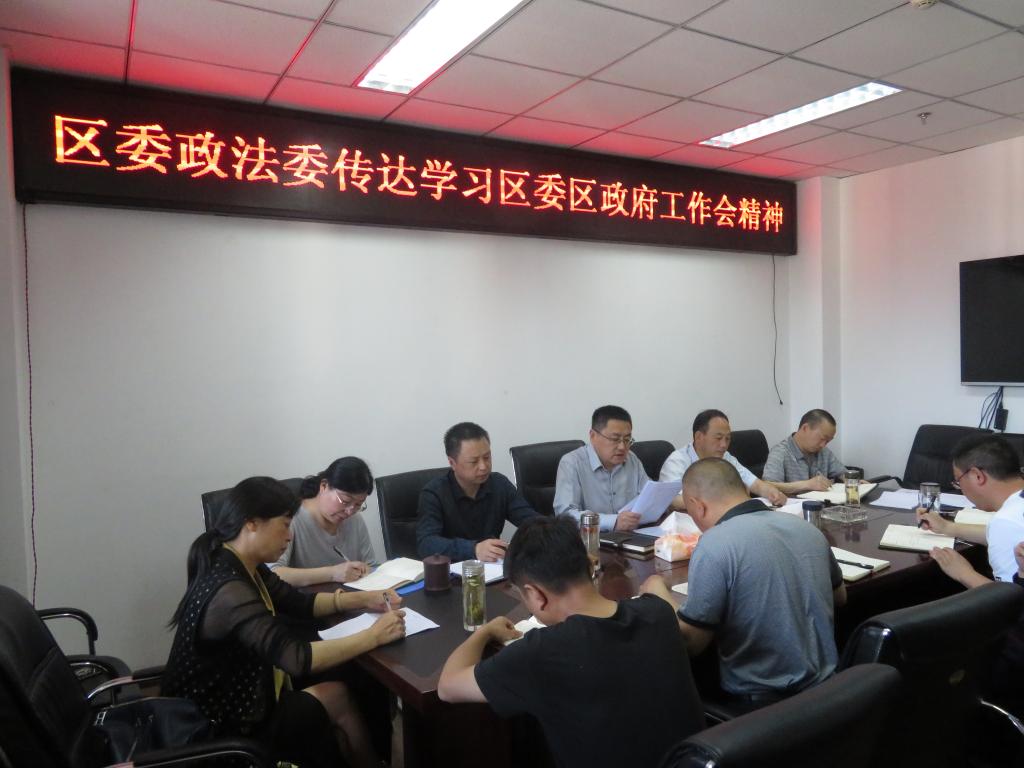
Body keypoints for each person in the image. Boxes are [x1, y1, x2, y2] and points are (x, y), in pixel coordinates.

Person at [163, 476, 406, 768]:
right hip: (218, 729)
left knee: (351, 682)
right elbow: (296, 658)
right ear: (252, 523)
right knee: (335, 696)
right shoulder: (229, 589)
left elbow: (299, 603)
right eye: (285, 525)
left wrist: (364, 599)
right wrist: (373, 636)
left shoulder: (242, 563)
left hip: (242, 695)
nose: (289, 536)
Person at [437, 515, 705, 768]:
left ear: (535, 594)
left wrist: (484, 632)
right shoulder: (658, 612)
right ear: (590, 565)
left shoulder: (544, 651)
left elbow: (448, 686)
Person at [642, 458, 845, 710]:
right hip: (830, 693)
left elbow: (691, 642)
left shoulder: (715, 544)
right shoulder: (806, 527)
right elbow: (840, 597)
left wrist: (657, 593)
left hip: (764, 706)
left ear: (697, 506)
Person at [417, 422, 538, 562]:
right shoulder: (434, 493)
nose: (483, 466)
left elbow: (531, 521)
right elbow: (426, 544)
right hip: (452, 570)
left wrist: (551, 530)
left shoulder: (499, 484)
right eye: (474, 462)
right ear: (452, 463)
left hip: (493, 569)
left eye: (487, 457)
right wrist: (474, 549)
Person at [916, 434, 1024, 587]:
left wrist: (964, 573)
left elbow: (1011, 598)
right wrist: (947, 527)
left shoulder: (1006, 522)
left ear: (977, 476)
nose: (960, 488)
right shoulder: (1012, 516)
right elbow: (1003, 533)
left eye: (958, 481)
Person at [271, 456, 377, 587]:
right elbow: (273, 573)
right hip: (310, 599)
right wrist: (333, 573)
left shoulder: (355, 520)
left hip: (352, 596)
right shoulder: (291, 520)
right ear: (324, 486)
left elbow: (371, 566)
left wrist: (366, 570)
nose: (350, 511)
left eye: (358, 504)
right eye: (345, 501)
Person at [659, 409, 786, 507]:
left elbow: (753, 483)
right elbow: (675, 501)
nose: (724, 445)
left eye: (728, 438)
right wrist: (726, 499)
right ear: (698, 437)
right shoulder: (677, 461)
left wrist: (772, 492)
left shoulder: (725, 456)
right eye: (718, 438)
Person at [553, 405, 650, 532]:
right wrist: (613, 521)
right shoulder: (572, 463)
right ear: (593, 436)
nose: (622, 447)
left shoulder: (632, 460)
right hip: (592, 539)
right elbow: (566, 515)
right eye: (615, 439)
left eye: (627, 440)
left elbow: (649, 496)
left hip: (631, 536)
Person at [762, 409, 848, 493]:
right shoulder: (780, 452)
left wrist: (851, 480)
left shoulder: (823, 451)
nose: (823, 445)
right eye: (822, 438)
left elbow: (843, 473)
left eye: (828, 441)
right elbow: (766, 486)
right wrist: (806, 484)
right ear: (805, 428)